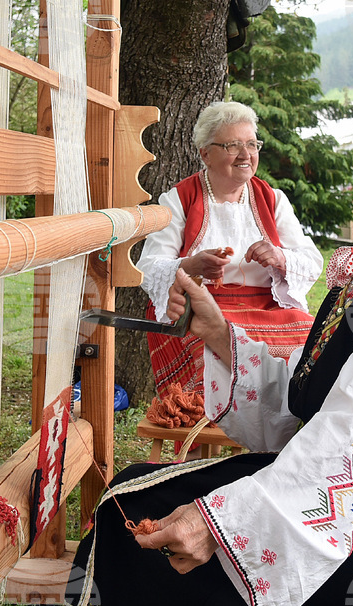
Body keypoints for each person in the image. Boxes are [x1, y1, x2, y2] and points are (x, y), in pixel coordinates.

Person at [51, 99, 353, 606]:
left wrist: (227, 525)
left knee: (128, 516)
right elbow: (323, 391)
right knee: (133, 493)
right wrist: (220, 337)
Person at [137, 102, 322, 401]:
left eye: (251, 144)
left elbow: (312, 261)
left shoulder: (273, 200)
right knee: (209, 352)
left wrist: (279, 256)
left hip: (268, 309)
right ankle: (207, 424)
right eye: (233, 145)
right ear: (205, 153)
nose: (246, 155)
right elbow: (148, 267)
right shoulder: (178, 199)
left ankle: (284, 429)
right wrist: (191, 265)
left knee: (311, 346)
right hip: (204, 309)